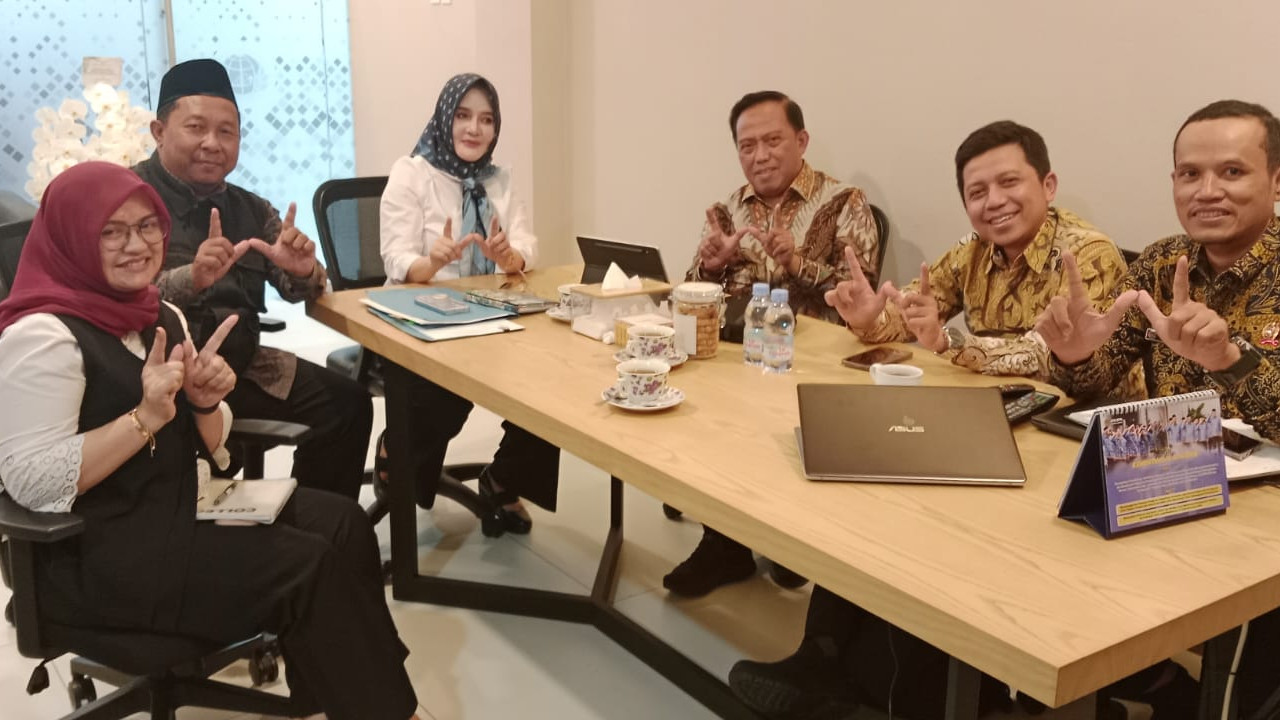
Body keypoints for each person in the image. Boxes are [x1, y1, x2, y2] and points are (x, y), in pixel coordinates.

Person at [0, 162, 419, 720]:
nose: (136, 245)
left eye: (147, 226)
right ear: (71, 238)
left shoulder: (159, 313)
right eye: (111, 231)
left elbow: (212, 446)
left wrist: (202, 404)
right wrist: (143, 418)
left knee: (343, 523)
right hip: (97, 551)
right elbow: (31, 482)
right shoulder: (42, 336)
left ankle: (330, 694)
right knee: (309, 566)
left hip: (177, 507)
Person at [1035, 98, 1280, 719]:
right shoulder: (1161, 261)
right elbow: (1096, 377)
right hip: (1167, 480)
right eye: (1189, 174)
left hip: (1265, 521)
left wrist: (1231, 360)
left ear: (1276, 181)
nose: (1207, 191)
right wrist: (1072, 354)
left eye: (1232, 172)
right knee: (1037, 556)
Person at [663, 90, 881, 598]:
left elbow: (863, 296)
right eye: (747, 146)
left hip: (812, 360)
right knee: (699, 407)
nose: (759, 156)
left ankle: (789, 540)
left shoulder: (843, 202)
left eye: (772, 141)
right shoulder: (727, 209)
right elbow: (692, 295)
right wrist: (711, 266)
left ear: (801, 141)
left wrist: (796, 262)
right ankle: (724, 545)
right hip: (735, 355)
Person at [134, 58, 372, 500]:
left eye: (226, 132)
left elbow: (302, 288)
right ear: (159, 131)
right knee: (190, 473)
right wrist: (192, 277)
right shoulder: (127, 201)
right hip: (156, 379)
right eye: (196, 128)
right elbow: (115, 298)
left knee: (347, 405)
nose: (212, 143)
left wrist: (303, 270)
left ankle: (317, 526)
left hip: (245, 368)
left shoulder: (252, 209)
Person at [826, 120, 1141, 397]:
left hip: (1088, 422)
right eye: (977, 192)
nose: (995, 201)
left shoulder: (1089, 254)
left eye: (1009, 182)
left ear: (1048, 186)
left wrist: (948, 343)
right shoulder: (972, 250)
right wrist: (870, 319)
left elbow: (1045, 354)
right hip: (999, 406)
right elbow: (915, 309)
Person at [378, 73, 557, 533]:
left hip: (491, 316)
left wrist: (510, 256)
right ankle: (396, 449)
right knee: (448, 390)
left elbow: (528, 246)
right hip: (424, 318)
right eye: (463, 116)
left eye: (486, 119)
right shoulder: (413, 173)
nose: (474, 129)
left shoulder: (500, 179)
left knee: (552, 378)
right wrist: (431, 262)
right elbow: (395, 258)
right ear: (445, 118)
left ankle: (504, 478)